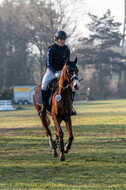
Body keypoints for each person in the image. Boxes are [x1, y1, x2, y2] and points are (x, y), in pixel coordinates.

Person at [39, 30, 77, 116]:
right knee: (44, 86)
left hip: (62, 71)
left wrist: (64, 72)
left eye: (64, 39)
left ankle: (71, 108)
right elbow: (48, 64)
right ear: (57, 40)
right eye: (61, 39)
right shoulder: (51, 49)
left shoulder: (67, 49)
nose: (62, 41)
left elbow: (66, 64)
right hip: (51, 71)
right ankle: (44, 108)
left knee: (71, 87)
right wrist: (55, 72)